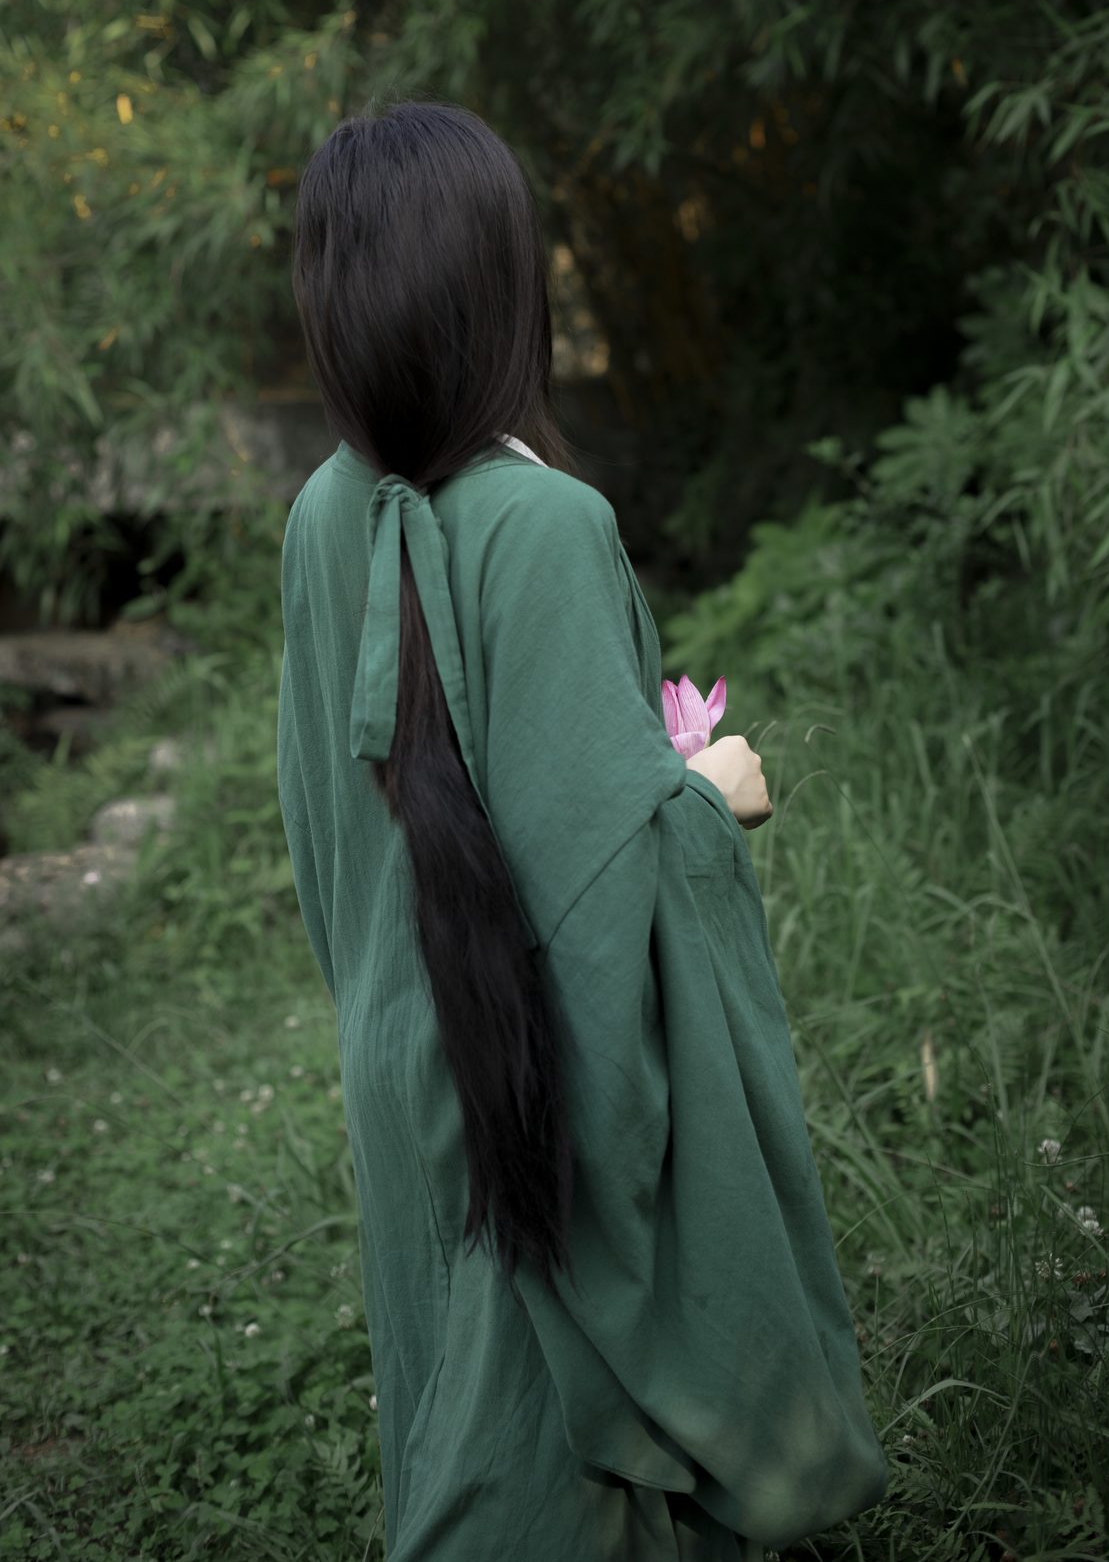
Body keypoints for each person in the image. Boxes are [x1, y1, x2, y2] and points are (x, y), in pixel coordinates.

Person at [277, 98, 888, 1561]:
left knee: (465, 1413)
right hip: (526, 1072)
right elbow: (601, 907)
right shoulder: (548, 526)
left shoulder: (318, 515)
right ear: (504, 286)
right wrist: (710, 795)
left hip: (400, 1045)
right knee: (566, 1464)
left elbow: (322, 834)